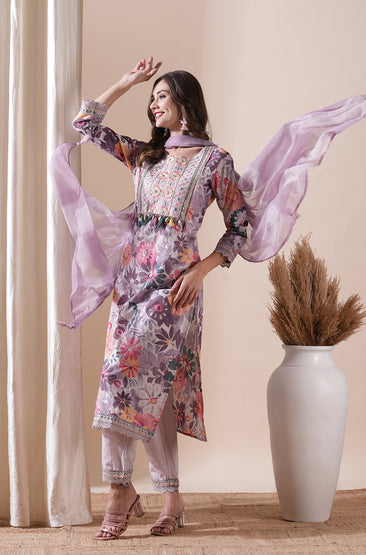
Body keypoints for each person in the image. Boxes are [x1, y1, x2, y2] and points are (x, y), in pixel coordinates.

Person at [72, 56, 248, 540]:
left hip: (175, 290)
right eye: (151, 98)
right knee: (138, 384)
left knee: (143, 381)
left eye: (161, 96)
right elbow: (85, 124)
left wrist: (202, 270)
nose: (153, 104)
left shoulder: (215, 162)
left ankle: (131, 493)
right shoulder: (145, 155)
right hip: (130, 284)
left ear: (186, 102)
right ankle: (150, 494)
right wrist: (127, 82)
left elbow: (240, 227)